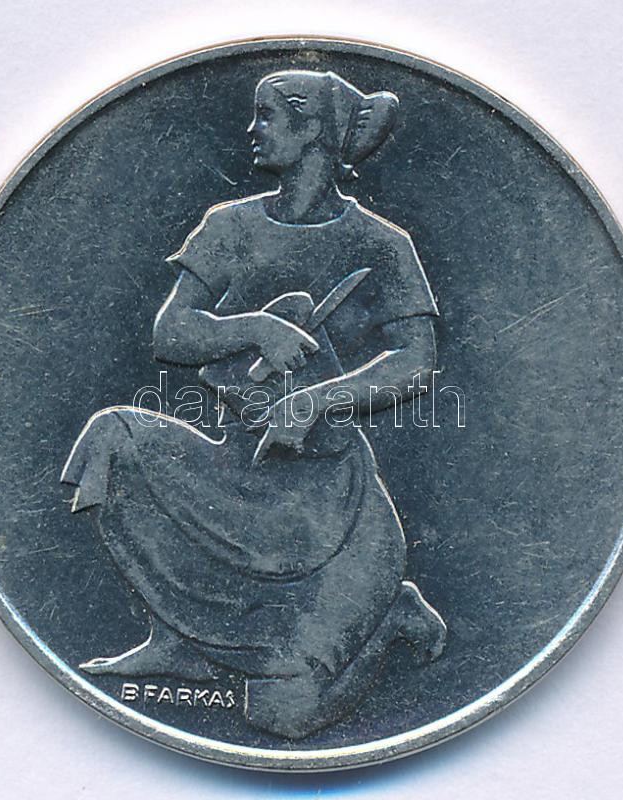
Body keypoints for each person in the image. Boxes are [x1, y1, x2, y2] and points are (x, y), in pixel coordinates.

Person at [61, 69, 446, 739]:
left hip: (329, 508)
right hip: (231, 468)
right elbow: (170, 334)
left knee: (283, 718)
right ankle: (177, 638)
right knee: (112, 438)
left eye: (268, 116)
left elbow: (415, 361)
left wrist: (317, 401)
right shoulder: (229, 225)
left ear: (313, 129)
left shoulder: (382, 243)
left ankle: (391, 619)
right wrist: (254, 327)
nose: (252, 129)